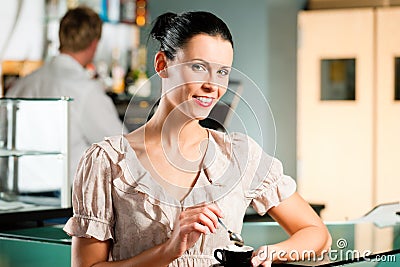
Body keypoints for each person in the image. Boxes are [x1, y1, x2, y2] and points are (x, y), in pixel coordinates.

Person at [63, 11, 331, 267]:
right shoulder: (107, 161)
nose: (212, 85)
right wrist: (169, 250)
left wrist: (270, 254)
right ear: (162, 65)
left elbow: (316, 233)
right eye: (198, 67)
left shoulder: (239, 153)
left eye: (223, 72)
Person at [6, 6, 125, 193]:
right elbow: (120, 147)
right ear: (94, 44)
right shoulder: (86, 89)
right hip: (65, 200)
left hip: (18, 200)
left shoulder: (22, 85)